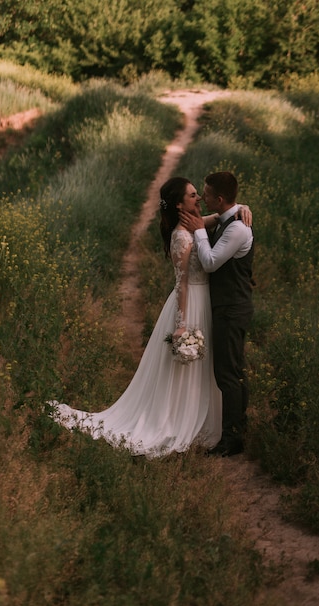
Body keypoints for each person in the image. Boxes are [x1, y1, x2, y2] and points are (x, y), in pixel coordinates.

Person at [49, 177, 226, 458]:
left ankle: (204, 419)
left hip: (204, 302)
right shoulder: (181, 236)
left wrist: (238, 209)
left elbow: (214, 218)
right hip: (190, 304)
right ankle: (179, 419)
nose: (199, 199)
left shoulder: (194, 224)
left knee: (204, 366)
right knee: (185, 369)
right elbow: (182, 284)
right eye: (194, 196)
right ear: (180, 204)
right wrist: (181, 326)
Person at [179, 171, 254, 457]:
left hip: (232, 309)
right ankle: (238, 430)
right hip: (229, 307)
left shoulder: (236, 229)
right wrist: (242, 206)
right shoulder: (229, 218)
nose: (202, 198)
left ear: (219, 199)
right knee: (234, 370)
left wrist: (199, 230)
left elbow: (210, 263)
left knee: (227, 374)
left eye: (206, 194)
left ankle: (232, 439)